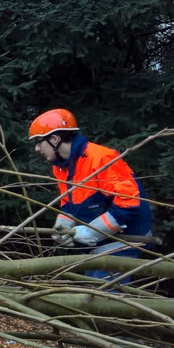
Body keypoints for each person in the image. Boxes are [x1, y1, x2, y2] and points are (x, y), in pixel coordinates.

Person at [29, 108, 152, 279]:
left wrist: (92, 231)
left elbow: (129, 204)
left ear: (55, 139)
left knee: (106, 298)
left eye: (38, 142)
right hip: (101, 241)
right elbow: (69, 204)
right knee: (94, 290)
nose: (36, 148)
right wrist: (62, 227)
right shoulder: (61, 167)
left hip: (125, 239)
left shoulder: (102, 158)